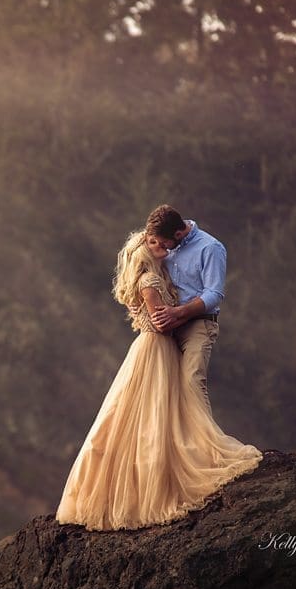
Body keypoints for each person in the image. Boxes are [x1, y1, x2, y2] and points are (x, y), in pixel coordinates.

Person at [54, 228, 263, 531]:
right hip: (156, 348)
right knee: (153, 411)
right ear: (144, 251)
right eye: (152, 243)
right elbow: (159, 323)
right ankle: (177, 463)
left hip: (149, 347)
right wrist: (177, 317)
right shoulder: (150, 281)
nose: (160, 245)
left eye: (159, 240)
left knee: (138, 414)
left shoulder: (150, 278)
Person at [146, 204, 225, 413]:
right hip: (168, 327)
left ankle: (208, 443)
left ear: (179, 233)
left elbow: (214, 294)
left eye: (164, 243)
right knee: (164, 388)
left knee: (192, 382)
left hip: (199, 324)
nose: (161, 247)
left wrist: (178, 312)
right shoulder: (165, 246)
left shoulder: (210, 248)